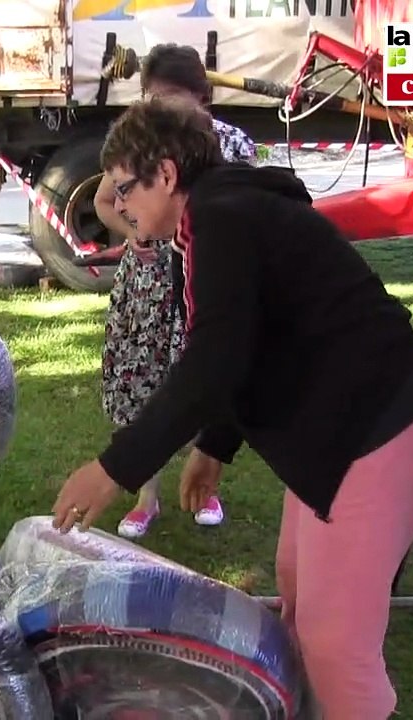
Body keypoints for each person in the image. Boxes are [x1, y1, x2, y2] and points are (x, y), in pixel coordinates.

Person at [51, 98, 413, 720]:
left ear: (167, 173)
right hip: (339, 430)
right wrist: (215, 445)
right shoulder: (216, 214)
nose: (120, 206)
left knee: (337, 648)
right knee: (297, 592)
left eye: (126, 188)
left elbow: (214, 361)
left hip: (377, 427)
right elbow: (251, 338)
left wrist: (114, 468)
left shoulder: (222, 217)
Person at [93, 43, 257, 539]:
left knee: (206, 375)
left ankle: (206, 476)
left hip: (207, 282)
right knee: (146, 383)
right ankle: (146, 496)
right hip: (149, 284)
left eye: (173, 99)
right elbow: (106, 201)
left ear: (202, 99)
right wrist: (136, 231)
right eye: (152, 98)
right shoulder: (139, 146)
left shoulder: (232, 146)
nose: (161, 110)